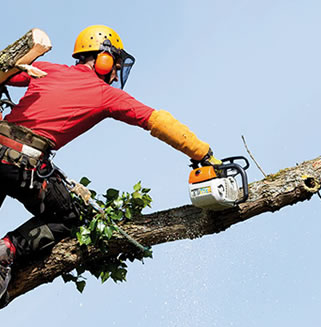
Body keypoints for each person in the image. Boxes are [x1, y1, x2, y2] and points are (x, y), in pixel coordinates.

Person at [0, 25, 222, 301]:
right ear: (102, 58)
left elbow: (6, 71)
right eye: (114, 65)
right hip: (22, 165)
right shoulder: (105, 95)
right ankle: (9, 249)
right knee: (73, 218)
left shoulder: (48, 70)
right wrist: (203, 154)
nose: (116, 74)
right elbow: (156, 121)